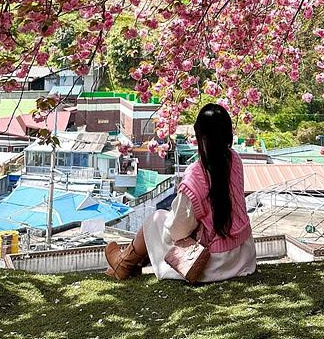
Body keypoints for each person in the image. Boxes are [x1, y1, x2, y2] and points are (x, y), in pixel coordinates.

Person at [104, 103, 256, 282]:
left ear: (200, 136)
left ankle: (125, 263)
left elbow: (178, 231)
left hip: (211, 263)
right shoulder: (234, 160)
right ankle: (126, 263)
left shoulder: (196, 176)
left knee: (157, 218)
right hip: (243, 256)